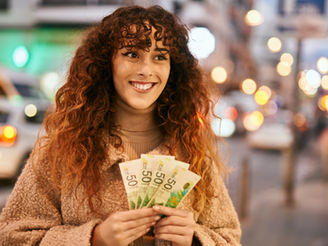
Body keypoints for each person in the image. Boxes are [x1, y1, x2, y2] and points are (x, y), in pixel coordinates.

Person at [0, 5, 241, 246]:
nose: (146, 70)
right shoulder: (61, 149)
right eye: (132, 54)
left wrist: (195, 239)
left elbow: (229, 237)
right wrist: (93, 239)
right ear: (108, 62)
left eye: (159, 57)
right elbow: (13, 236)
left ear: (173, 68)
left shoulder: (192, 153)